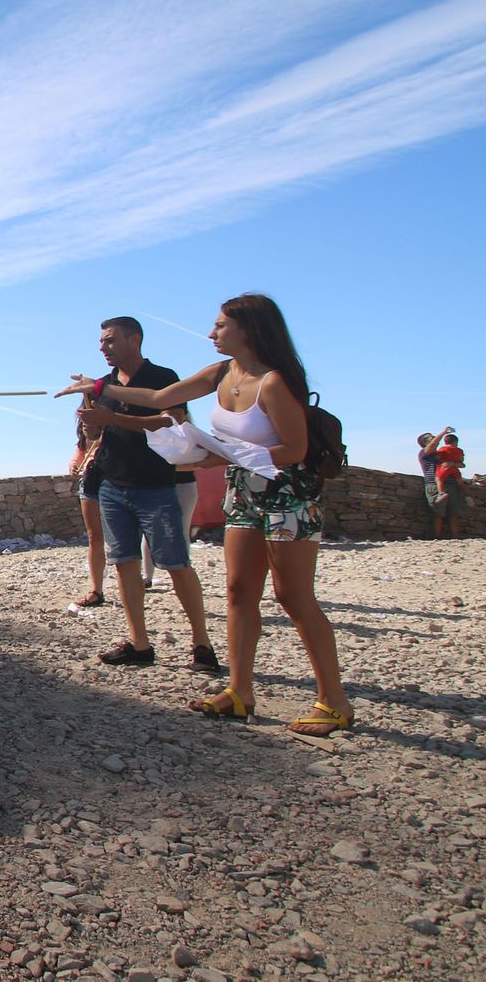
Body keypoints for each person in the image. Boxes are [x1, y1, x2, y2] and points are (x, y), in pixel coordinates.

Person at [58, 293, 353, 737]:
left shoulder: (274, 382)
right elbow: (159, 396)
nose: (211, 334)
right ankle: (239, 692)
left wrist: (219, 456)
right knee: (237, 593)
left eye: (220, 326)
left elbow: (295, 449)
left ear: (249, 330)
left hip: (286, 495)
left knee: (293, 599)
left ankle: (334, 702)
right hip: (244, 494)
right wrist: (97, 388)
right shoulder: (221, 373)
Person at [74, 316, 216, 672]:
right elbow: (95, 434)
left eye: (109, 340)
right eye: (101, 341)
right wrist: (91, 423)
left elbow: (171, 422)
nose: (102, 347)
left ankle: (202, 644)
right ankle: (140, 643)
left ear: (134, 339)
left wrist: (113, 419)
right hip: (112, 486)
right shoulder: (102, 384)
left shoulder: (162, 378)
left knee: (177, 565)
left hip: (155, 486)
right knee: (124, 564)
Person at [141, 404, 199, 589]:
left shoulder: (191, 434)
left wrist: (169, 465)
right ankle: (146, 576)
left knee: (182, 531)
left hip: (183, 484)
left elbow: (197, 462)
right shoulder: (153, 434)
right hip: (156, 484)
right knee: (149, 532)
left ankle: (183, 576)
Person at [68, 416, 107, 606]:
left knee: (122, 539)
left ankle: (135, 582)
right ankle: (97, 589)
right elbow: (80, 452)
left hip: (115, 480)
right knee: (94, 538)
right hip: (91, 480)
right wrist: (74, 466)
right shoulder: (85, 425)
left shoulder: (113, 419)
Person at [420, 429, 466, 538]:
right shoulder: (424, 453)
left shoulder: (443, 452)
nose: (434, 438)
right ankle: (437, 536)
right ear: (425, 442)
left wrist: (452, 463)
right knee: (437, 513)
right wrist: (443, 432)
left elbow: (461, 464)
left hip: (451, 484)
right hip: (434, 484)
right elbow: (434, 443)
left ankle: (455, 536)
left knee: (454, 512)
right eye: (430, 437)